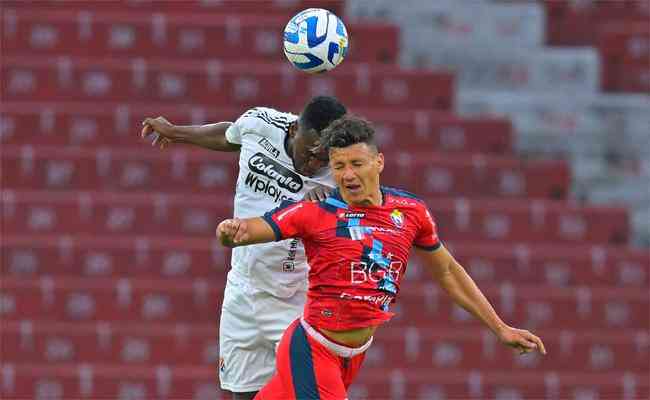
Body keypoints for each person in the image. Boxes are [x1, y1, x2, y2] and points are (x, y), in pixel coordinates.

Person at [216, 115, 547, 400]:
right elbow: (256, 228)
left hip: (353, 355)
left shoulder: (411, 212)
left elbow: (447, 271)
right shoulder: (314, 213)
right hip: (311, 347)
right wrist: (232, 231)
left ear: (379, 162)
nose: (347, 175)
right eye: (339, 166)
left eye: (356, 164)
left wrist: (500, 328)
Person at [140, 96, 347, 400]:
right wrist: (176, 132)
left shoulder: (344, 170)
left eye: (323, 159)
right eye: (310, 153)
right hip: (243, 288)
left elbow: (368, 215)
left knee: (313, 393)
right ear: (293, 132)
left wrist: (335, 206)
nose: (314, 164)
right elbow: (229, 136)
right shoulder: (261, 124)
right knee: (244, 394)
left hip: (296, 297)